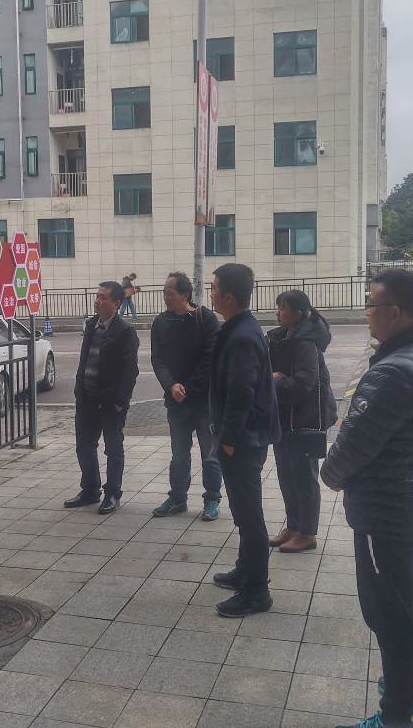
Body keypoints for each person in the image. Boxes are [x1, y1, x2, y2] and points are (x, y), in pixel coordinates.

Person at [322, 269, 413, 728]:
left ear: (394, 312)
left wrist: (329, 474)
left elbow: (355, 444)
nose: (367, 315)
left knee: (390, 614)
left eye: (371, 307)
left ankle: (395, 715)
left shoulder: (395, 369)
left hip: (386, 509)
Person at [209, 263, 280, 617]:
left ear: (229, 296)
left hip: (243, 439)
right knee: (242, 510)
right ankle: (244, 571)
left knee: (250, 516)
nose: (210, 294)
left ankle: (256, 591)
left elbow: (242, 392)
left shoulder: (243, 336)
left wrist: (229, 438)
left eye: (214, 289)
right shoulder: (239, 328)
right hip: (241, 436)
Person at [267, 290, 337, 554]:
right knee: (287, 475)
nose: (278, 312)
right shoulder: (284, 337)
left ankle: (307, 533)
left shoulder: (307, 343)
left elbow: (305, 384)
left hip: (306, 420)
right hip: (285, 418)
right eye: (278, 307)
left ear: (298, 313)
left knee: (304, 479)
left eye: (283, 308)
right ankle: (293, 527)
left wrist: (276, 381)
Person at [150, 271, 223, 521]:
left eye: (170, 293)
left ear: (185, 294)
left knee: (209, 455)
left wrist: (188, 388)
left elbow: (210, 358)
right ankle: (177, 498)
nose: (166, 297)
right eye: (164, 293)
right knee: (179, 454)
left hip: (204, 402)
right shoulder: (160, 323)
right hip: (176, 402)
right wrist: (171, 386)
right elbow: (158, 360)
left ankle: (212, 499)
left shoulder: (205, 319)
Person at [65, 281, 139, 515]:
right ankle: (90, 489)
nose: (97, 301)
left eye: (103, 298)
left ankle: (112, 493)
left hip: (110, 402)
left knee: (113, 448)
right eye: (97, 297)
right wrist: (79, 390)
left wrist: (120, 401)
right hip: (86, 398)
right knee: (84, 446)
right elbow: (85, 359)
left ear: (116, 304)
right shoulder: (91, 325)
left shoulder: (125, 332)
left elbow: (130, 371)